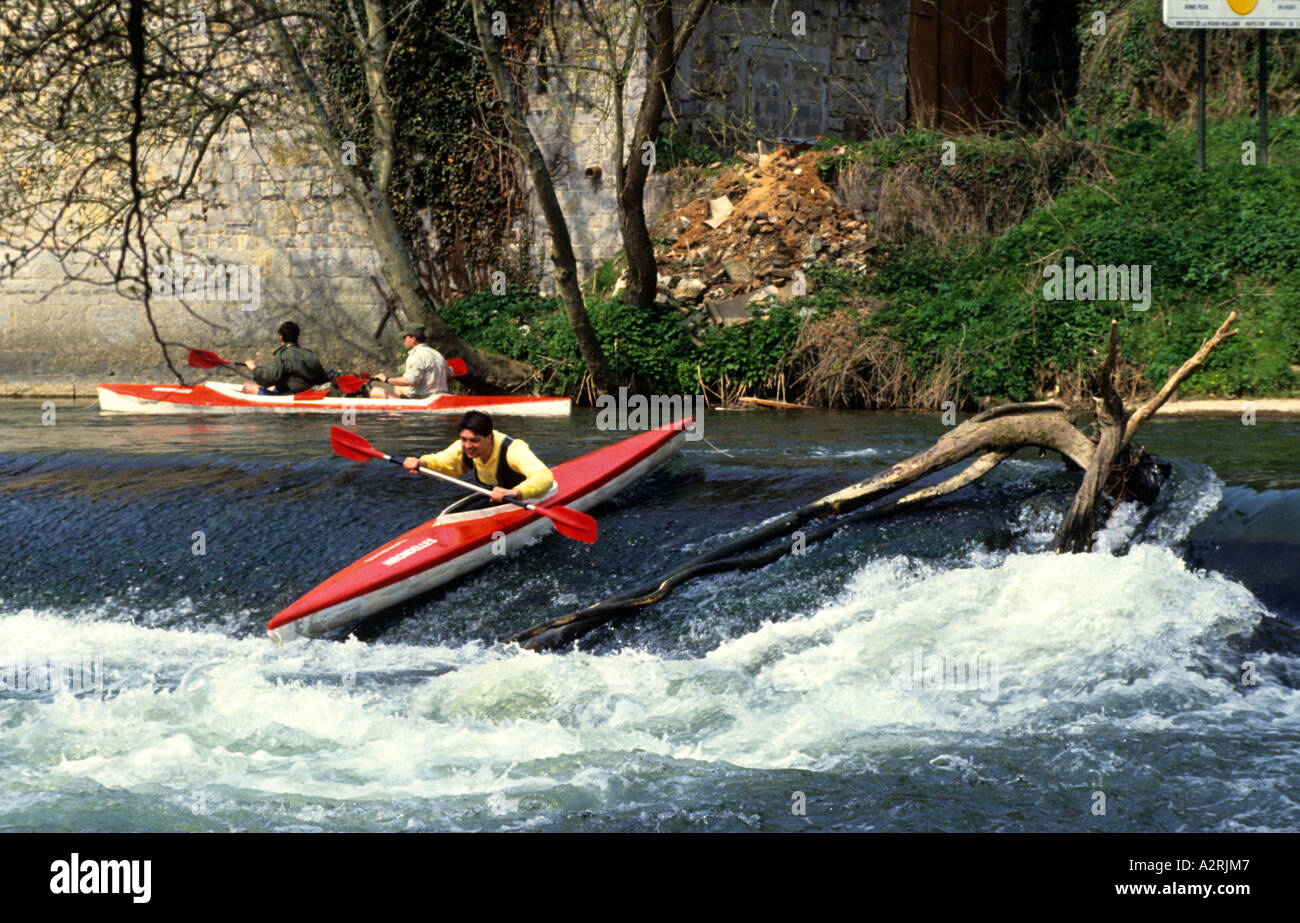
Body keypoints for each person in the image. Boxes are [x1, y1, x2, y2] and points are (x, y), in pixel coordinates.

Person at [402, 410, 553, 504]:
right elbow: (443, 462)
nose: (467, 445)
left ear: (488, 438)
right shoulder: (463, 448)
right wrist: (421, 462)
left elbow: (544, 477)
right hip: (497, 498)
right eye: (464, 439)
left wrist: (514, 492)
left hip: (530, 498)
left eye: (474, 440)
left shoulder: (513, 449)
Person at [242, 320, 330, 394]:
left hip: (294, 394)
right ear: (297, 337)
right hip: (310, 392)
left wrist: (254, 369)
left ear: (281, 337)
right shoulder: (309, 354)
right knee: (273, 387)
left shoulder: (283, 354)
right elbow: (323, 378)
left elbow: (269, 379)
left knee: (247, 387)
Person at [368, 322, 449, 399]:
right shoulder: (437, 354)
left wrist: (386, 380)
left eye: (405, 338)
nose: (404, 341)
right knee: (398, 387)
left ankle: (400, 411)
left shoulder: (416, 355)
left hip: (424, 399)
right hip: (439, 396)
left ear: (413, 339)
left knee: (375, 391)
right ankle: (396, 413)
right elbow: (450, 374)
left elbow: (409, 381)